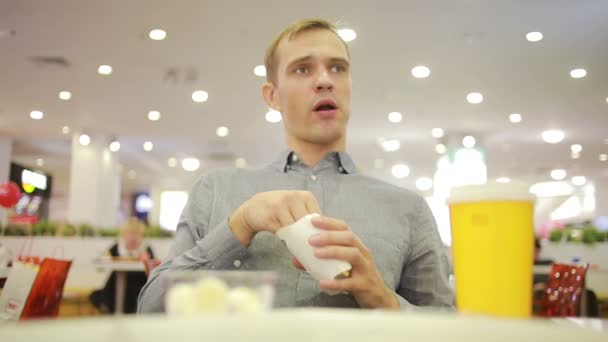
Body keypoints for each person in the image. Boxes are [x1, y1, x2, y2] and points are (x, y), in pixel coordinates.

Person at [138, 19, 453, 312]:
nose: (325, 80)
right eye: (303, 69)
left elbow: (450, 329)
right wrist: (239, 226)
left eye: (338, 68)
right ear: (272, 95)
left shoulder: (408, 209)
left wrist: (384, 299)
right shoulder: (215, 190)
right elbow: (150, 308)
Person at [90, 217, 155, 314]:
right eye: (130, 233)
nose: (133, 237)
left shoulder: (146, 249)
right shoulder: (116, 248)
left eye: (136, 234)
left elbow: (153, 270)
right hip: (115, 287)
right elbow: (102, 265)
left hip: (139, 287)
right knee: (96, 295)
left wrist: (145, 259)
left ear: (142, 236)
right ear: (123, 235)